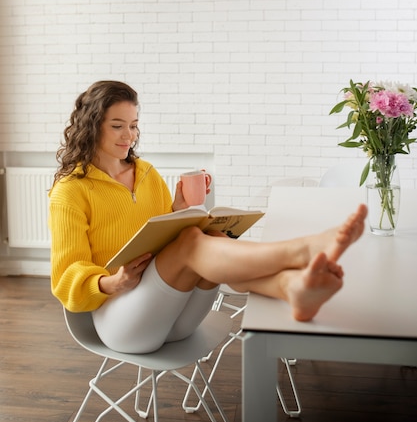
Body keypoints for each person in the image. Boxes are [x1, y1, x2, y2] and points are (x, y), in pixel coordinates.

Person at [49, 80, 367, 354]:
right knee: (192, 241)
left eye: (133, 125)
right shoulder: (71, 191)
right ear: (91, 126)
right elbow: (65, 280)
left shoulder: (145, 173)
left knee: (207, 235)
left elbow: (161, 239)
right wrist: (112, 282)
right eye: (117, 125)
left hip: (173, 315)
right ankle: (300, 252)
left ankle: (290, 286)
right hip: (121, 322)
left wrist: (180, 210)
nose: (129, 136)